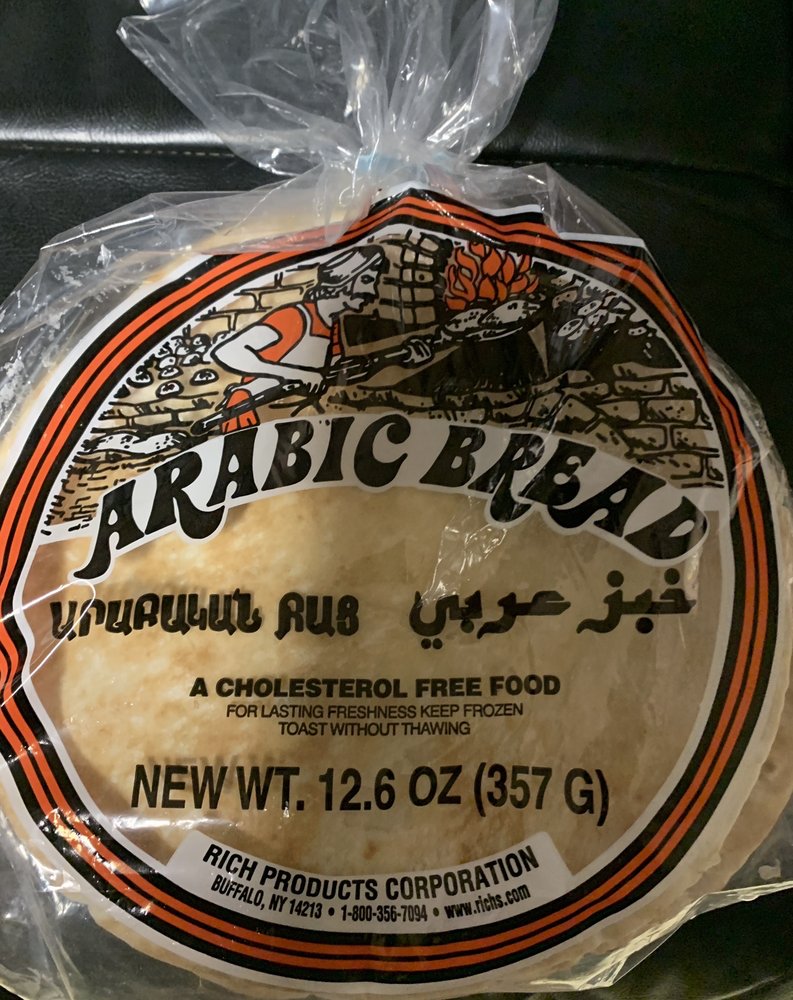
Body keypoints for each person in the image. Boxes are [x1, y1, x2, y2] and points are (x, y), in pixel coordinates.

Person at [212, 245, 431, 432]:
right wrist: (297, 374)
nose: (372, 292)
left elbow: (339, 374)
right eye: (366, 280)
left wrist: (400, 356)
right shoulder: (295, 317)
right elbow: (228, 353)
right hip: (250, 412)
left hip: (289, 425)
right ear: (344, 279)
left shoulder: (332, 328)